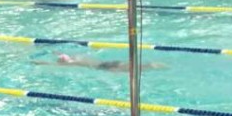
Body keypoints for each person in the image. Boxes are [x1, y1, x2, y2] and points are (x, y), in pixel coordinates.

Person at [36, 52, 166, 72]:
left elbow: (53, 64)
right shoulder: (77, 57)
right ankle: (149, 65)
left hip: (102, 67)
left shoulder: (72, 62)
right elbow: (58, 54)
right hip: (105, 62)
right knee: (126, 66)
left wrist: (40, 63)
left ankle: (149, 66)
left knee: (127, 70)